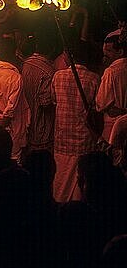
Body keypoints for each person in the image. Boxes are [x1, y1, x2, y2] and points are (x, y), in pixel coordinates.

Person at [52, 43, 100, 202]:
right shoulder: (94, 78)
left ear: (70, 56)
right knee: (80, 187)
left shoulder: (58, 76)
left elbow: (53, 100)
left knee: (61, 184)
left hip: (62, 138)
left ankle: (61, 213)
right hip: (84, 139)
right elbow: (97, 107)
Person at [21, 35, 56, 154]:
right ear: (52, 50)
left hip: (26, 121)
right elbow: (45, 103)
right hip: (42, 127)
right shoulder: (48, 71)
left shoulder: (25, 63)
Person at [96, 31, 127, 143]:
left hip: (113, 127)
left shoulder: (111, 72)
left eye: (109, 51)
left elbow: (101, 104)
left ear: (120, 51)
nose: (105, 54)